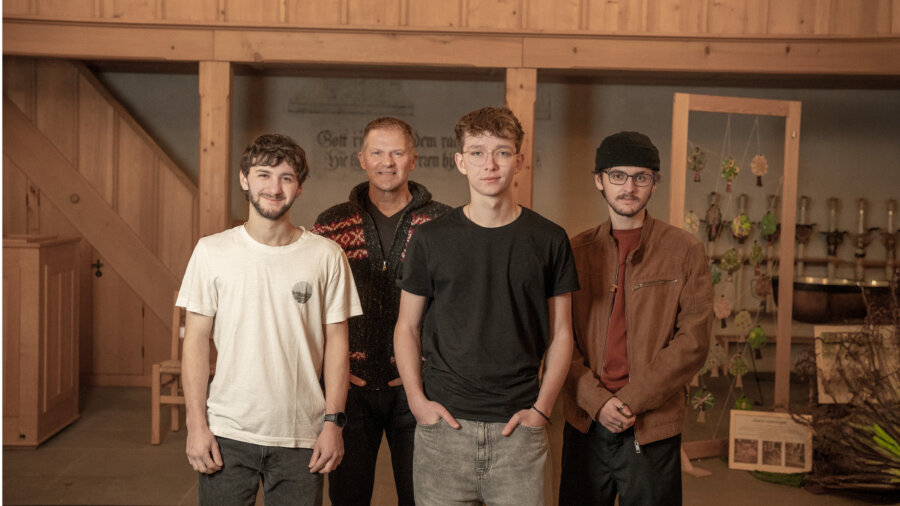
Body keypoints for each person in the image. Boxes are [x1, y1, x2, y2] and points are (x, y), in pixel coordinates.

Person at [394, 106, 579, 506]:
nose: (489, 164)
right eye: (477, 153)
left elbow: (562, 332)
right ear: (461, 161)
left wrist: (542, 410)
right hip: (444, 432)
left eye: (502, 152)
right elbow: (406, 326)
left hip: (520, 432)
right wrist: (417, 403)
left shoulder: (549, 239)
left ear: (519, 160)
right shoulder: (430, 239)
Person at [178, 133, 362, 505]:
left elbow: (337, 345)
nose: (274, 188)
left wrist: (333, 423)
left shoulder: (327, 256)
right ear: (244, 179)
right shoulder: (211, 252)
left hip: (302, 435)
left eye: (286, 177)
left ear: (299, 187)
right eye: (263, 174)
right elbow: (195, 342)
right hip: (228, 432)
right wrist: (196, 424)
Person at [559, 131, 714, 506]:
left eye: (641, 177)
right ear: (599, 180)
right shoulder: (575, 251)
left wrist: (630, 401)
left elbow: (693, 342)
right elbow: (559, 338)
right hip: (586, 420)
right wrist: (597, 401)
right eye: (618, 176)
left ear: (654, 183)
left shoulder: (685, 251)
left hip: (652, 424)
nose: (629, 187)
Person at [313, 117, 451, 505]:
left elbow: (455, 306)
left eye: (397, 152)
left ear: (413, 159)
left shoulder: (443, 223)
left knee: (422, 497)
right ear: (362, 159)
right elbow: (314, 306)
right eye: (377, 152)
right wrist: (329, 371)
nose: (386, 162)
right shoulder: (331, 224)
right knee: (348, 498)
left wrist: (427, 369)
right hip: (349, 389)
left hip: (419, 389)